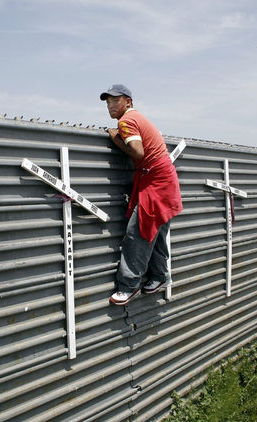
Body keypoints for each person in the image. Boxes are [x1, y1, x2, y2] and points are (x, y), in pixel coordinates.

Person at [100, 84, 183, 305]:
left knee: (138, 234)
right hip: (162, 180)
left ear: (128, 101)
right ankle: (158, 277)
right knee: (154, 232)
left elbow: (138, 152)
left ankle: (129, 286)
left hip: (156, 182)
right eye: (107, 102)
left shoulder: (126, 121)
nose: (110, 105)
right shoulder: (138, 118)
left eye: (114, 100)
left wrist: (115, 139)